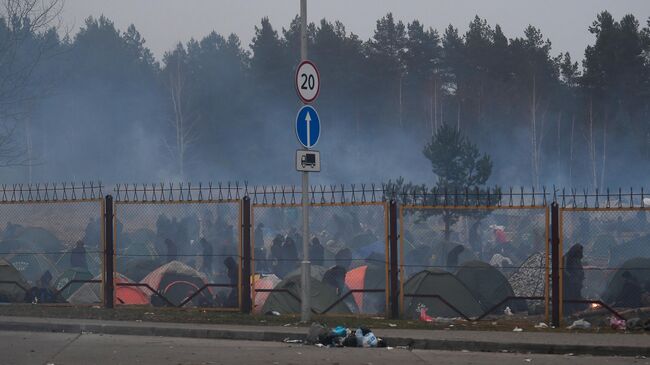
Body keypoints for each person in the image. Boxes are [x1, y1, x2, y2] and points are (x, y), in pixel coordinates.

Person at [563, 244, 587, 314]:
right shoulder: (567, 257)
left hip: (577, 283)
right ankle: (572, 311)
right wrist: (572, 277)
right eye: (580, 251)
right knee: (571, 297)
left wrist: (580, 277)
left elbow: (579, 269)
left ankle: (578, 309)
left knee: (577, 296)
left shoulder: (577, 259)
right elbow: (564, 270)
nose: (581, 253)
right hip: (570, 283)